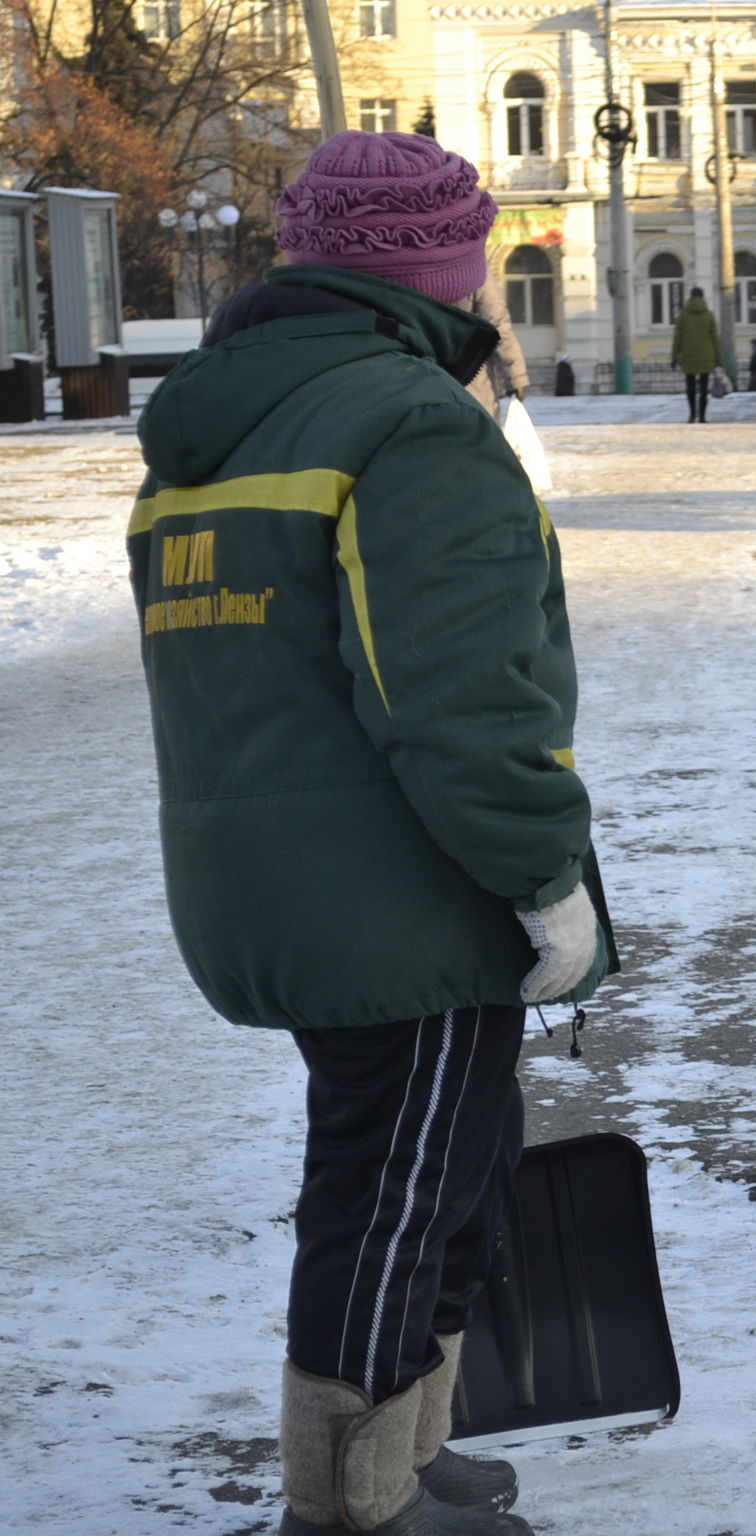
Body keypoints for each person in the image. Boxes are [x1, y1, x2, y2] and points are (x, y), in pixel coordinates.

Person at [129, 129, 617, 1535]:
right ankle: (352, 1505)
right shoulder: (405, 426)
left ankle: (405, 1449)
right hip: (404, 896)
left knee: (441, 1175)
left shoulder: (233, 426)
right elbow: (457, 700)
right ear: (443, 273)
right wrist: (544, 878)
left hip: (273, 882)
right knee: (397, 1197)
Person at [461, 278, 528, 413]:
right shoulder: (472, 259)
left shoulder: (405, 260)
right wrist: (516, 376)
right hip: (468, 374)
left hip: (415, 374)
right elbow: (496, 320)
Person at [672, 286, 719, 421]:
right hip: (707, 355)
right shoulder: (709, 315)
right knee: (704, 388)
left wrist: (674, 357)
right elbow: (715, 338)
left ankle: (692, 415)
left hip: (688, 356)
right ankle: (703, 417)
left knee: (690, 386)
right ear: (703, 297)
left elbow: (678, 338)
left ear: (691, 297)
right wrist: (718, 359)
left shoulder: (683, 315)